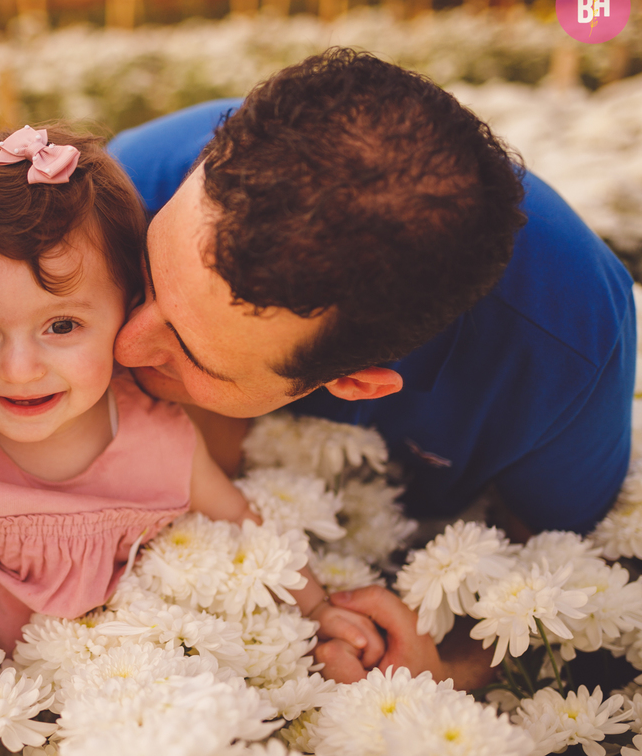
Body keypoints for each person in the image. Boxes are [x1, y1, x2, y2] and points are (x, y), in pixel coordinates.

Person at [107, 48, 636, 686]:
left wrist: (448, 666)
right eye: (142, 278)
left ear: (357, 383)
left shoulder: (563, 350)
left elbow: (560, 572)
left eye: (191, 353)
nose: (122, 346)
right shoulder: (124, 187)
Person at [0, 125, 386, 694]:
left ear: (126, 306)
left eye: (62, 325)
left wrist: (317, 608)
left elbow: (246, 528)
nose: (20, 369)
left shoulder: (159, 435)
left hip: (126, 690)